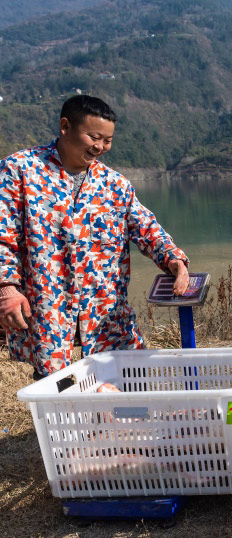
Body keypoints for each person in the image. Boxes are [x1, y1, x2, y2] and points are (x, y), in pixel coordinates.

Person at [0, 95, 190, 379]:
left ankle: (122, 423)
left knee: (130, 376)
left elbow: (146, 227)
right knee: (57, 385)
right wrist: (7, 289)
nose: (100, 147)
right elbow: (4, 234)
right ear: (65, 126)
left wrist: (174, 259)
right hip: (48, 303)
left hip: (104, 306)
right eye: (94, 137)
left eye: (108, 140)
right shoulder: (20, 170)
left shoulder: (114, 185)